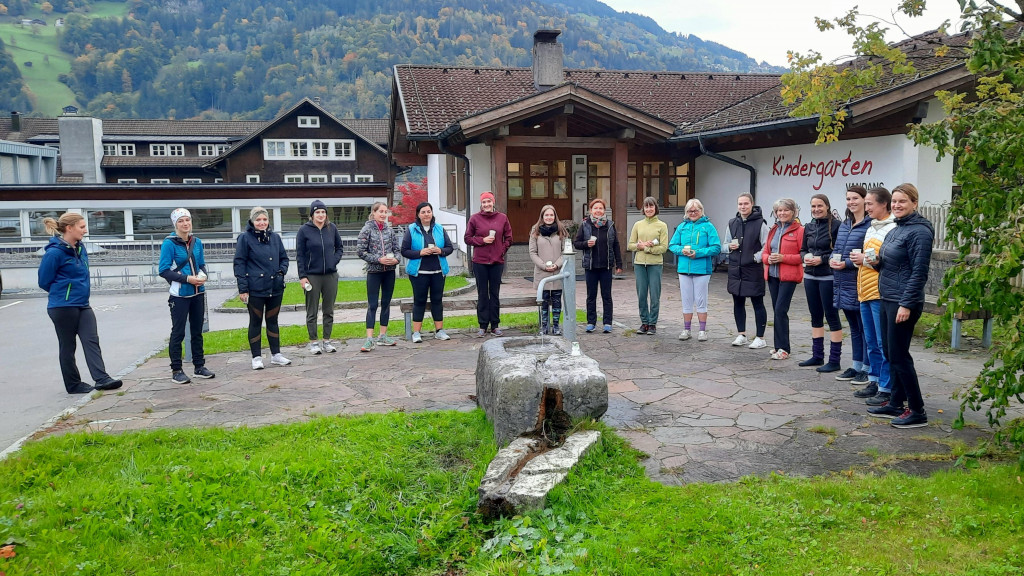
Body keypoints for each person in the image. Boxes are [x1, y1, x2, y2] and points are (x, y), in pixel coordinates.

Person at [867, 183, 934, 428]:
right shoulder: (897, 228)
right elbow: (892, 264)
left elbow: (919, 272)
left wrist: (906, 304)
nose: (896, 205)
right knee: (890, 352)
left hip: (903, 302)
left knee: (899, 356)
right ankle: (895, 402)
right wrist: (875, 262)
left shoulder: (920, 232)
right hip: (887, 297)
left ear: (914, 203)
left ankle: (917, 410)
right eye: (894, 201)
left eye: (902, 201)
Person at [38, 213, 123, 394]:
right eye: (82, 227)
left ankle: (102, 379)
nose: (85, 230)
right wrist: (64, 293)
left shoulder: (80, 248)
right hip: (62, 306)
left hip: (83, 304)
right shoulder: (54, 253)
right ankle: (73, 385)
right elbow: (44, 281)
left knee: (91, 339)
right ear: (69, 228)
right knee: (68, 346)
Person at [158, 208, 215, 384]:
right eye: (181, 221)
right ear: (175, 224)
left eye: (187, 220)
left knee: (197, 331)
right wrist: (187, 279)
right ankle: (176, 370)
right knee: (178, 332)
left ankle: (199, 366)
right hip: (179, 295)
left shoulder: (197, 242)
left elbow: (202, 264)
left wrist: (203, 276)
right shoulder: (169, 244)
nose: (185, 224)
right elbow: (164, 270)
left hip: (198, 293)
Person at [851, 187, 896, 405]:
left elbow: (889, 262)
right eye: (866, 203)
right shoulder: (871, 227)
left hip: (880, 292)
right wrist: (859, 260)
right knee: (871, 342)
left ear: (883, 204)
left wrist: (865, 260)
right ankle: (875, 380)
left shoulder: (892, 228)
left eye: (870, 204)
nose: (866, 208)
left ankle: (886, 387)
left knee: (882, 341)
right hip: (864, 291)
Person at [233, 206, 291, 370]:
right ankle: (256, 357)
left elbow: (284, 258)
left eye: (264, 219)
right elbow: (239, 263)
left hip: (275, 287)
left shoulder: (275, 238)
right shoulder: (244, 238)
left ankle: (276, 354)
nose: (262, 222)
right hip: (255, 288)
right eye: (258, 219)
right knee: (256, 321)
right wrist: (243, 288)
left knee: (273, 321)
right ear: (252, 220)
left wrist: (281, 272)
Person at [829, 186, 871, 384]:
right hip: (842, 282)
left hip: (860, 282)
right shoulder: (845, 224)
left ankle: (867, 368)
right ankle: (856, 365)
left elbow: (868, 255)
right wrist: (831, 259)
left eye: (855, 198)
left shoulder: (870, 225)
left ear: (864, 200)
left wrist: (845, 263)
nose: (851, 202)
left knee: (865, 328)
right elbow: (837, 248)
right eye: (848, 199)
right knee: (854, 327)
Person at [798, 194, 843, 372]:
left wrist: (822, 259)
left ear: (827, 206)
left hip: (828, 277)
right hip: (810, 276)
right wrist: (805, 258)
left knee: (831, 317)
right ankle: (817, 356)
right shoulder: (808, 227)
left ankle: (834, 359)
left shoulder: (837, 226)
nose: (816, 209)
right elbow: (802, 249)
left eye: (820, 206)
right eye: (813, 206)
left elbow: (838, 251)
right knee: (815, 316)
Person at [401, 201, 455, 343]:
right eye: (423, 212)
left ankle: (439, 331)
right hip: (419, 273)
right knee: (419, 301)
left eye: (428, 211)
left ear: (432, 213)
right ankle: (416, 333)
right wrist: (420, 252)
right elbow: (404, 251)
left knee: (437, 300)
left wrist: (440, 251)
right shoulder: (411, 229)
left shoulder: (439, 229)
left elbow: (450, 248)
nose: (426, 214)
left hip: (438, 271)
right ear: (418, 215)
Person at [669, 199, 721, 341]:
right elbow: (672, 245)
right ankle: (686, 330)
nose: (693, 213)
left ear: (701, 211)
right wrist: (682, 251)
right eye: (690, 211)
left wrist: (697, 253)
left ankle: (702, 330)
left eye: (695, 210)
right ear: (686, 212)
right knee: (686, 299)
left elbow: (716, 247)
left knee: (700, 299)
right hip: (684, 268)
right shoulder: (682, 227)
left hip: (702, 269)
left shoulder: (708, 227)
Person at [297, 200, 344, 355]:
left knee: (328, 310)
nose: (321, 215)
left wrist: (333, 260)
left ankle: (327, 341)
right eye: (317, 212)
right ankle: (314, 342)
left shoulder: (332, 228)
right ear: (312, 215)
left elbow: (339, 248)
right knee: (312, 311)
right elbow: (300, 255)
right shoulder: (304, 230)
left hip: (330, 275)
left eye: (323, 212)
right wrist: (302, 276)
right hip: (312, 276)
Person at [723, 193, 769, 349]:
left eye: (746, 204)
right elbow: (724, 244)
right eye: (740, 204)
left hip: (753, 269)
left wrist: (755, 258)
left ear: (752, 204)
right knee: (738, 302)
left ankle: (760, 337)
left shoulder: (760, 224)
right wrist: (729, 247)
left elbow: (766, 246)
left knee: (757, 303)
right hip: (736, 270)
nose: (743, 207)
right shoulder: (732, 223)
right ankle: (741, 334)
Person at [761, 198, 805, 360]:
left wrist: (783, 258)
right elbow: (765, 251)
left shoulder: (800, 230)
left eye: (786, 210)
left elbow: (802, 256)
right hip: (772, 276)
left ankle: (784, 348)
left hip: (789, 277)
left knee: (780, 310)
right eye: (779, 210)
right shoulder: (773, 229)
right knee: (776, 310)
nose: (782, 213)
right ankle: (777, 346)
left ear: (793, 212)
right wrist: (768, 259)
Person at [464, 191, 513, 337]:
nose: (486, 204)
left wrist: (501, 250)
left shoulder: (502, 218)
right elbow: (467, 238)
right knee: (483, 294)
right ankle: (483, 325)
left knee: (495, 293)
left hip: (497, 261)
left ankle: (495, 325)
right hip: (480, 261)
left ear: (493, 202)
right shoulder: (475, 219)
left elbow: (509, 238)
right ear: (481, 204)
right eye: (484, 202)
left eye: (489, 201)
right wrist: (482, 241)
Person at [357, 202, 402, 351]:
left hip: (389, 272)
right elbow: (361, 252)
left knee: (386, 303)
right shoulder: (367, 230)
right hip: (374, 272)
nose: (383, 214)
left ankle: (382, 336)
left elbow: (397, 249)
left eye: (385, 212)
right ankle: (369, 339)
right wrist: (378, 259)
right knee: (373, 305)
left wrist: (396, 259)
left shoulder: (390, 231)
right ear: (374, 213)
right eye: (380, 211)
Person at [574, 198, 623, 333]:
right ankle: (591, 322)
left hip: (606, 266)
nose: (598, 210)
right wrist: (586, 244)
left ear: (604, 211)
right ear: (591, 210)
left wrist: (619, 263)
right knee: (591, 295)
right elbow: (576, 243)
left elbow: (616, 245)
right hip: (590, 266)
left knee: (606, 295)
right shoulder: (585, 225)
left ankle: (607, 322)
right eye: (595, 208)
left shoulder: (610, 225)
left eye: (600, 208)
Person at [628, 196, 669, 335]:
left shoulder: (662, 226)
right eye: (646, 207)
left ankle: (652, 323)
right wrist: (639, 246)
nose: (649, 209)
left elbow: (663, 247)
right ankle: (644, 322)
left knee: (655, 294)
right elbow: (630, 245)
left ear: (655, 208)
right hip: (640, 264)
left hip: (655, 264)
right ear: (643, 209)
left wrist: (647, 248)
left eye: (651, 206)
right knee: (641, 294)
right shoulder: (638, 225)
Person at [529, 205, 568, 335]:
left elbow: (565, 251)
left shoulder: (562, 231)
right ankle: (544, 326)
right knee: (543, 302)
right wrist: (544, 265)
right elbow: (532, 252)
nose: (549, 217)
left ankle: (556, 326)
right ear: (542, 216)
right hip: (542, 273)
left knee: (557, 301)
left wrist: (557, 265)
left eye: (551, 215)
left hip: (557, 273)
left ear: (555, 216)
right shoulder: (535, 231)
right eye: (546, 215)